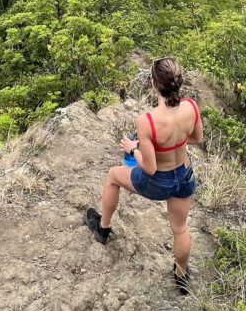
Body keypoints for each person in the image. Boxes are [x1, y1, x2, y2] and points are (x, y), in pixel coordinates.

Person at [84, 57, 203, 294]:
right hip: (184, 176)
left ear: (153, 84)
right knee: (180, 229)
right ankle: (181, 276)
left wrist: (134, 149)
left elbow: (149, 168)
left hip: (158, 181)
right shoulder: (191, 106)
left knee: (113, 176)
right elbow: (197, 138)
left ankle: (103, 228)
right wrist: (171, 144)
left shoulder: (146, 121)